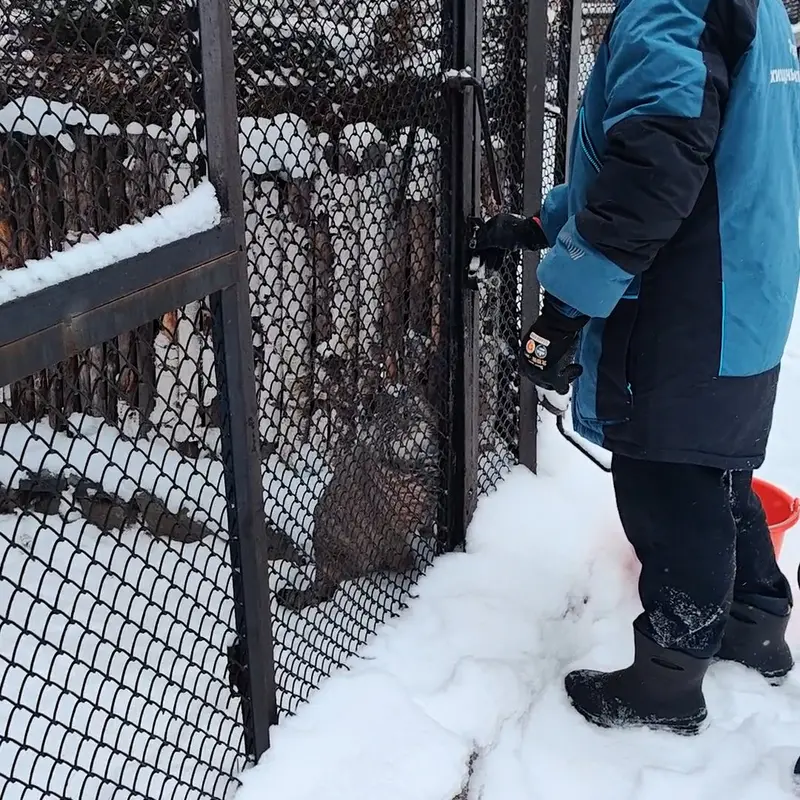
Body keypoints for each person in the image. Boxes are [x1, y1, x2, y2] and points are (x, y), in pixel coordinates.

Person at [474, 0, 800, 735]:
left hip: (688, 306)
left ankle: (667, 682)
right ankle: (755, 624)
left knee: (664, 482)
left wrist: (565, 308)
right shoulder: (756, 7)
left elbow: (654, 168)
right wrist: (542, 224)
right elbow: (668, 151)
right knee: (714, 469)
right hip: (740, 291)